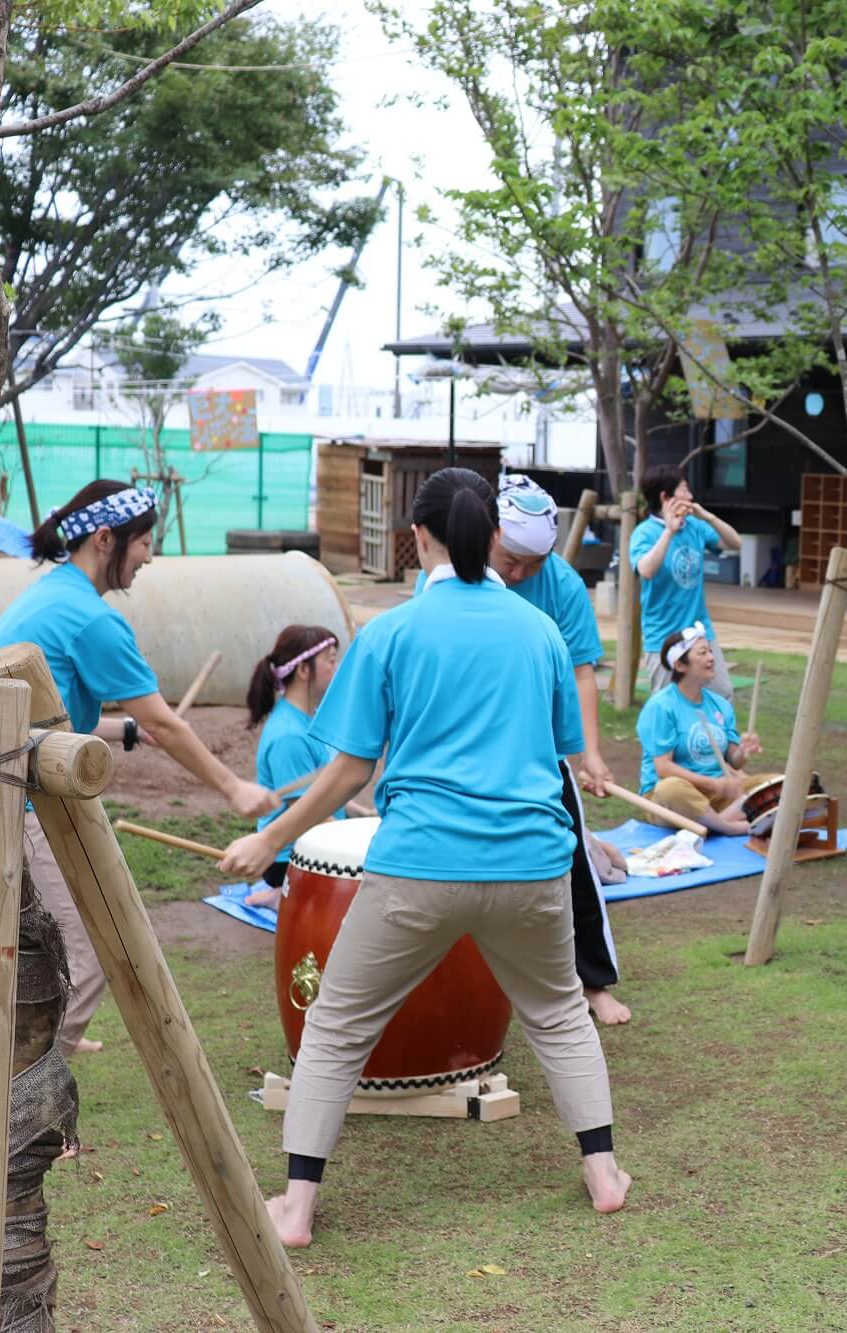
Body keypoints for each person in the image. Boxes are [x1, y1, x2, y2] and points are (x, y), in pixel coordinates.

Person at [217, 467, 628, 1245]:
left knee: (337, 1027)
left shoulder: (392, 633)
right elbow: (562, 753)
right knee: (560, 1016)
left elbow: (349, 771)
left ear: (417, 537)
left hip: (420, 866)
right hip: (532, 864)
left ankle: (297, 1208)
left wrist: (269, 838)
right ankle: (604, 1174)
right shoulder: (539, 632)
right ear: (492, 533)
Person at [0, 480, 278, 1057]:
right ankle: (36, 1075)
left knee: (59, 941)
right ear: (105, 539)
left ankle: (45, 1043)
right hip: (31, 804)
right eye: (144, 542)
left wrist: (124, 730)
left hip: (11, 791)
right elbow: (167, 725)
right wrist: (234, 789)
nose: (149, 556)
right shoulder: (91, 620)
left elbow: (44, 720)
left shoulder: (52, 596)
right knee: (91, 951)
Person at [492, 479, 631, 1025]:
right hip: (473, 745)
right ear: (491, 535)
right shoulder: (459, 574)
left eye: (533, 564)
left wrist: (589, 753)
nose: (519, 573)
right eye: (510, 560)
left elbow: (581, 673)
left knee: (572, 859)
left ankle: (592, 981)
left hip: (540, 747)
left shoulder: (563, 585)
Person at [242, 625, 370, 910]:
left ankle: (285, 896)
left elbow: (327, 791)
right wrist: (359, 841)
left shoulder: (311, 719)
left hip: (317, 834)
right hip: (289, 857)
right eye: (331, 660)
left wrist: (365, 816)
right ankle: (284, 892)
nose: (337, 668)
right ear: (303, 670)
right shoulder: (289, 736)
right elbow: (305, 813)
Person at [636, 622, 773, 836]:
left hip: (718, 796)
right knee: (670, 788)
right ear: (680, 666)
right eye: (702, 653)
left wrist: (743, 750)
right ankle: (727, 827)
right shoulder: (661, 706)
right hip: (670, 798)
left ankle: (713, 822)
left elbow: (734, 761)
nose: (711, 657)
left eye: (710, 651)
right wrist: (715, 784)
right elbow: (663, 768)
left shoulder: (720, 705)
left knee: (777, 784)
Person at [631, 465, 742, 699]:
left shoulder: (695, 526)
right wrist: (669, 532)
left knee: (722, 695)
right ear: (665, 497)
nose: (690, 496)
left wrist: (707, 516)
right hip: (663, 637)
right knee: (668, 704)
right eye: (684, 490)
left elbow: (735, 543)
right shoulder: (645, 533)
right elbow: (646, 571)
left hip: (700, 631)